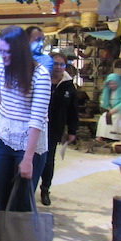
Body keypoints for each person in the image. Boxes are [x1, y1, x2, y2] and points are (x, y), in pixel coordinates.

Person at [0, 26, 51, 241]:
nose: (2, 57)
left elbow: (37, 119)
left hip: (29, 144)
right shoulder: (0, 67)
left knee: (22, 203)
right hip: (4, 138)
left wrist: (27, 159)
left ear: (20, 50)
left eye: (6, 52)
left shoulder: (41, 75)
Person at [40, 53, 79, 206]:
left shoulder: (68, 86)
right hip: (36, 127)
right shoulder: (40, 80)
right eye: (55, 63)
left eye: (61, 64)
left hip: (54, 128)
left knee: (48, 161)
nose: (58, 67)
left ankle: (45, 189)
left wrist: (72, 131)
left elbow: (73, 111)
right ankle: (28, 189)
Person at [95, 73, 121, 142]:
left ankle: (117, 137)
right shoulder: (108, 90)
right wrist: (109, 109)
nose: (112, 86)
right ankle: (102, 136)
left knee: (116, 117)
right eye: (110, 84)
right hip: (111, 110)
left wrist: (115, 110)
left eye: (114, 83)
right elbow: (104, 101)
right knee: (103, 117)